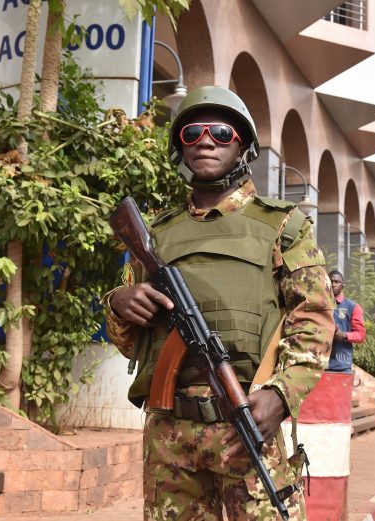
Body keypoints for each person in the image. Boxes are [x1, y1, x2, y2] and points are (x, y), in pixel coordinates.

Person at [102, 86, 335, 521]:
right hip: (170, 435)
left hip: (245, 419)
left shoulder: (283, 225)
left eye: (221, 132)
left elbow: (315, 320)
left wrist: (281, 396)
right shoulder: (156, 235)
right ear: (180, 149)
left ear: (243, 145)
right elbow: (132, 343)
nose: (205, 141)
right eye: (192, 133)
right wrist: (119, 304)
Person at [326, 270, 366, 373]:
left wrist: (343, 335)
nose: (333, 284)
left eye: (337, 281)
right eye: (331, 281)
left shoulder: (352, 307)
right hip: (318, 365)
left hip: (341, 366)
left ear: (343, 285)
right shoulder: (319, 305)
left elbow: (361, 335)